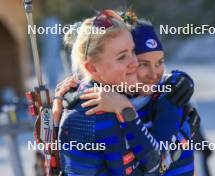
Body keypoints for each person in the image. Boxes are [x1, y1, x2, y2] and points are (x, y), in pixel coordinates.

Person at [54, 13, 199, 175]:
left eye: (133, 52)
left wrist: (182, 81)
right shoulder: (92, 112)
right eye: (123, 57)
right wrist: (184, 133)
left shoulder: (160, 96)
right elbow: (152, 166)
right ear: (92, 68)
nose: (134, 63)